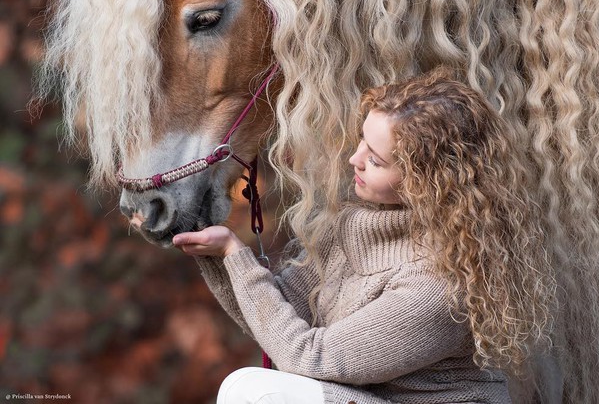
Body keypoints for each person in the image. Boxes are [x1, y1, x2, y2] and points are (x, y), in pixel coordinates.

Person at [173, 68, 556, 404]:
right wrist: (214, 250)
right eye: (362, 142)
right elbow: (277, 318)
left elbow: (309, 357)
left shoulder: (439, 286)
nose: (355, 160)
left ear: (426, 182)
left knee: (254, 391)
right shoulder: (354, 227)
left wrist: (235, 254)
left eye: (375, 159)